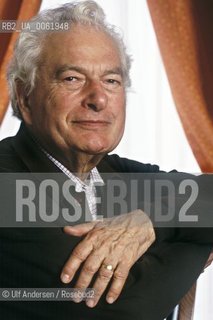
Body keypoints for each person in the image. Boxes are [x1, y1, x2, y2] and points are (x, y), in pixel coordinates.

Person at [0, 1, 212, 319]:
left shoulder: (113, 173)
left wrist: (155, 217)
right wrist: (200, 241)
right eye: (72, 78)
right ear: (24, 96)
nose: (98, 98)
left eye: (111, 81)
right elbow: (125, 306)